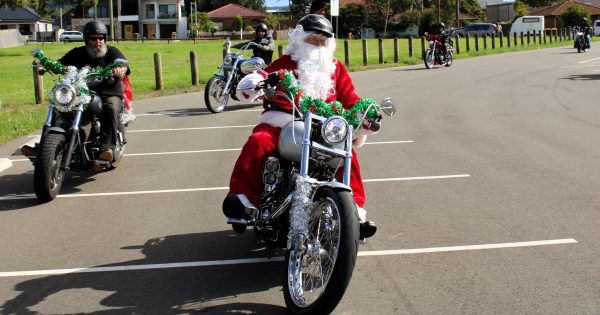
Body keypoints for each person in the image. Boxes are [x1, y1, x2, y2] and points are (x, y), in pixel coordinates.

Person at [222, 14, 377, 239]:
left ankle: (353, 214)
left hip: (324, 128)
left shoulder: (336, 68)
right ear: (300, 39)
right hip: (283, 123)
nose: (316, 45)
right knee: (259, 141)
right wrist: (256, 82)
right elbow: (266, 76)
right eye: (312, 39)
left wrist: (365, 116)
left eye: (322, 41)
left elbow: (351, 98)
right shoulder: (285, 63)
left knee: (346, 154)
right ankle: (242, 201)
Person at [59, 20, 130, 162]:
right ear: (86, 39)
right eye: (94, 38)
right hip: (82, 94)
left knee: (110, 108)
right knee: (61, 107)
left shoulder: (111, 51)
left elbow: (123, 63)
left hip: (109, 93)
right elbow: (61, 63)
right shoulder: (77, 53)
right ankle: (50, 144)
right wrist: (49, 65)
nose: (98, 41)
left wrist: (121, 68)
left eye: (101, 38)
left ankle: (107, 147)